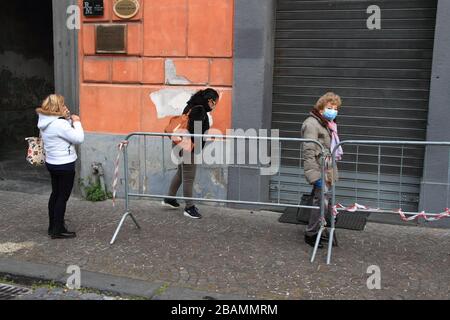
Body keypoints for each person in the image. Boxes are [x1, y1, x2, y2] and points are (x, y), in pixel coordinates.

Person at [162, 88, 220, 219]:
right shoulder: (200, 110)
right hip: (188, 147)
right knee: (189, 177)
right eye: (214, 103)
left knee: (181, 173)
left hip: (178, 143)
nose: (214, 106)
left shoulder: (190, 105)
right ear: (209, 100)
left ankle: (169, 199)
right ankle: (189, 207)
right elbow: (195, 133)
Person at [36, 94, 84, 239]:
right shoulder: (59, 124)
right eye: (63, 105)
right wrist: (76, 122)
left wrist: (67, 118)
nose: (65, 107)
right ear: (57, 107)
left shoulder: (45, 121)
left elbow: (60, 135)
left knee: (55, 194)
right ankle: (58, 230)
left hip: (52, 163)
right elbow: (78, 138)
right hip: (64, 164)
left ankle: (52, 226)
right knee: (62, 197)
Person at [301, 92, 343, 248]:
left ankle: (320, 229)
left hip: (327, 168)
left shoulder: (328, 123)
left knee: (324, 201)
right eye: (329, 107)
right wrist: (313, 176)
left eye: (336, 108)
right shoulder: (312, 124)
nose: (333, 110)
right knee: (321, 203)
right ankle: (311, 233)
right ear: (320, 107)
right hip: (319, 169)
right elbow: (309, 151)